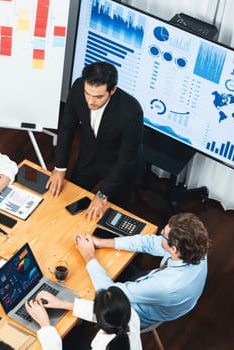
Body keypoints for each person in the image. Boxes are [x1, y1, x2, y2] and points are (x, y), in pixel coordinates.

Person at [75, 213, 211, 329]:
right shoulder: (196, 248)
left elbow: (111, 294)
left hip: (135, 316)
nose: (160, 234)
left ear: (174, 249)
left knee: (82, 288)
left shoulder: (165, 285)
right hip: (162, 296)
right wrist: (100, 242)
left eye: (163, 234)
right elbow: (149, 243)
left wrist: (89, 256)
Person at [47, 61, 144, 220]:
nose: (90, 101)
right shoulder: (79, 87)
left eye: (98, 96)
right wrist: (59, 168)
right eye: (88, 94)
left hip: (119, 165)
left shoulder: (131, 112)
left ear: (112, 90)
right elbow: (67, 128)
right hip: (89, 157)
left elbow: (126, 160)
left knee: (112, 216)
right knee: (71, 202)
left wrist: (102, 194)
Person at [25, 286, 141, 350]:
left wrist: (45, 325)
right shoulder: (131, 315)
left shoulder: (102, 347)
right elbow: (106, 312)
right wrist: (63, 303)